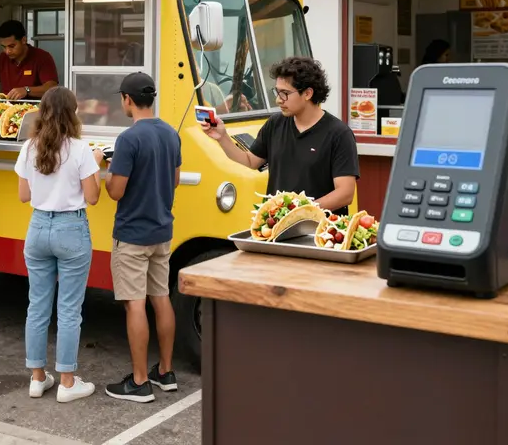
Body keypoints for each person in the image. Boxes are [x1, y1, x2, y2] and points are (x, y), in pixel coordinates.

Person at [15, 86, 105, 402]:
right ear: (73, 113)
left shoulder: (29, 148)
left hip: (37, 227)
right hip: (70, 229)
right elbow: (93, 198)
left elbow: (24, 196)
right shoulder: (81, 150)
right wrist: (97, 164)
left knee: (37, 306)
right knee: (69, 309)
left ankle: (38, 378)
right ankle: (67, 381)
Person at [104, 72, 181, 403]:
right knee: (160, 298)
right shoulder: (170, 133)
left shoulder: (128, 139)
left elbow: (115, 191)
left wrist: (103, 169)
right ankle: (164, 372)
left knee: (134, 304)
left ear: (127, 100)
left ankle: (138, 382)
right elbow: (175, 180)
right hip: (162, 231)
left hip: (132, 234)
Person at [202, 56, 359, 216]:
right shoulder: (275, 123)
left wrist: (300, 211)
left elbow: (345, 193)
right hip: (277, 227)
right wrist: (222, 137)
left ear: (308, 93)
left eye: (285, 93)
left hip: (322, 233)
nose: (278, 100)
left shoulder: (339, 134)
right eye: (277, 92)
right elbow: (250, 161)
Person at [0, 20, 59, 101]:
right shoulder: (1, 59)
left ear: (23, 40)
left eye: (12, 46)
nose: (7, 51)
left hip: (35, 110)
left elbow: (51, 88)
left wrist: (26, 90)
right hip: (6, 109)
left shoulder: (42, 57)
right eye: (4, 47)